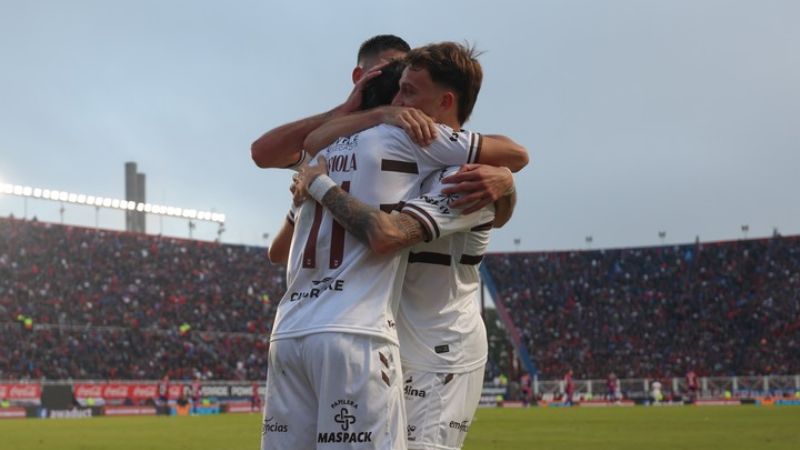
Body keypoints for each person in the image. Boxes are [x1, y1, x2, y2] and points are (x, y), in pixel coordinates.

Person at [263, 42, 525, 450]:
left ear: (444, 101)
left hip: (439, 354)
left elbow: (387, 234)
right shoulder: (382, 154)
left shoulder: (465, 173)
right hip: (381, 338)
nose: (399, 101)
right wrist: (306, 197)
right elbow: (281, 244)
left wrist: (505, 183)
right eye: (395, 89)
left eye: (408, 91)